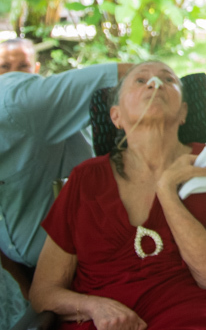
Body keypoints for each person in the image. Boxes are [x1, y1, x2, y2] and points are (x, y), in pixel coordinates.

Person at [30, 60, 206, 329]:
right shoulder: (85, 179)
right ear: (116, 116)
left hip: (190, 318)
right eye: (140, 80)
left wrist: (167, 191)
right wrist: (94, 306)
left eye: (168, 80)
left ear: (183, 113)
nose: (155, 84)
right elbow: (42, 292)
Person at [0, 44, 130, 309]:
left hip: (93, 270)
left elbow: (133, 74)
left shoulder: (24, 101)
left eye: (22, 65)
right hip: (30, 278)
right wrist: (30, 296)